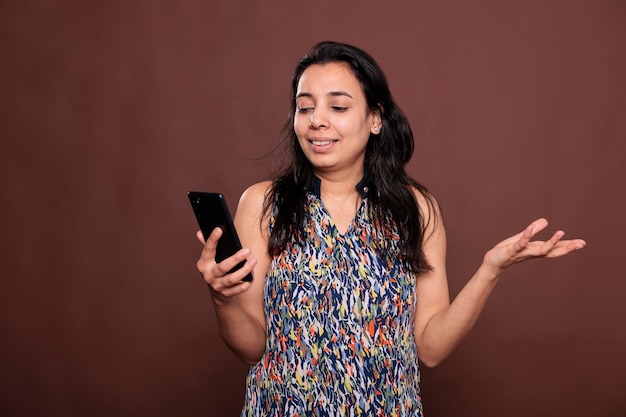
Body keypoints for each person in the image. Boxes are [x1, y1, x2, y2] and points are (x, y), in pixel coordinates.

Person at [195, 41, 586, 417]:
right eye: (304, 107)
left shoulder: (416, 209)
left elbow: (430, 348)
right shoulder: (264, 204)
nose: (317, 120)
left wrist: (491, 269)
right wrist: (221, 297)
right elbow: (250, 347)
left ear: (376, 118)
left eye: (338, 106)